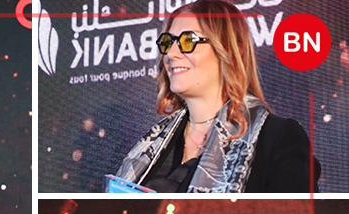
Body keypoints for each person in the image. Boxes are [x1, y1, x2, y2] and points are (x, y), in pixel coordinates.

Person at [115, 0, 318, 193]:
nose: (171, 54)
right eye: (168, 43)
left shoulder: (278, 138)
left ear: (231, 49)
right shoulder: (151, 144)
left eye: (188, 40)